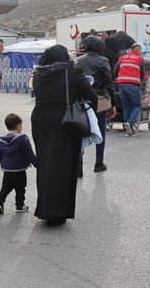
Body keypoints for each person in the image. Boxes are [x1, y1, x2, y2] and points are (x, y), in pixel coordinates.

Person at [31, 45, 97, 226]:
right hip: (65, 121)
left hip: (40, 121)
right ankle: (58, 212)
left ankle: (44, 208)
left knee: (45, 164)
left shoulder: (38, 74)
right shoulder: (71, 72)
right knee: (64, 166)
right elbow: (91, 95)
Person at [74, 34, 116, 174]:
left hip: (81, 102)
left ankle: (79, 165)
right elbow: (109, 84)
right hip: (99, 101)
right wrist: (113, 104)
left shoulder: (77, 60)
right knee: (100, 131)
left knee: (80, 132)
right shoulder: (103, 60)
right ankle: (99, 163)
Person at [0, 113, 36, 214]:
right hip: (20, 169)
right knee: (20, 188)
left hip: (7, 169)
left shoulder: (1, 141)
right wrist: (37, 164)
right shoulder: (23, 139)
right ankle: (20, 206)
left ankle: (0, 202)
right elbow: (29, 153)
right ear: (19, 126)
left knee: (6, 186)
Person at [113, 43, 145, 136]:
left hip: (121, 84)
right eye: (140, 50)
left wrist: (118, 77)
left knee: (126, 106)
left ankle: (128, 130)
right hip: (133, 84)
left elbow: (115, 70)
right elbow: (142, 73)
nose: (140, 52)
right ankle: (130, 122)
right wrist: (141, 82)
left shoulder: (122, 58)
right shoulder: (139, 59)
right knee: (137, 105)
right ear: (136, 50)